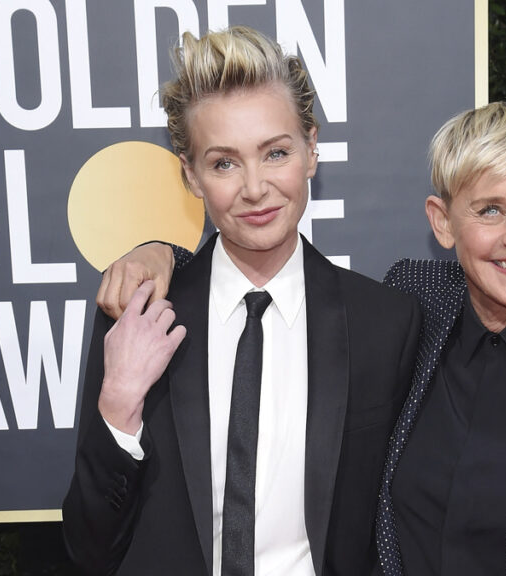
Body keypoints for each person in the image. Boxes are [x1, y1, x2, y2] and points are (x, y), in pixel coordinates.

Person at [99, 102, 506, 575]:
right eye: (491, 210)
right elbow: (258, 266)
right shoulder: (414, 305)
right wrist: (161, 255)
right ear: (442, 223)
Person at [62, 26, 421, 576]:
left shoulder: (384, 323)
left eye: (275, 153)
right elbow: (89, 547)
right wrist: (118, 409)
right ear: (191, 175)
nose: (254, 188)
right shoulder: (140, 311)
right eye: (224, 163)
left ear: (311, 150)